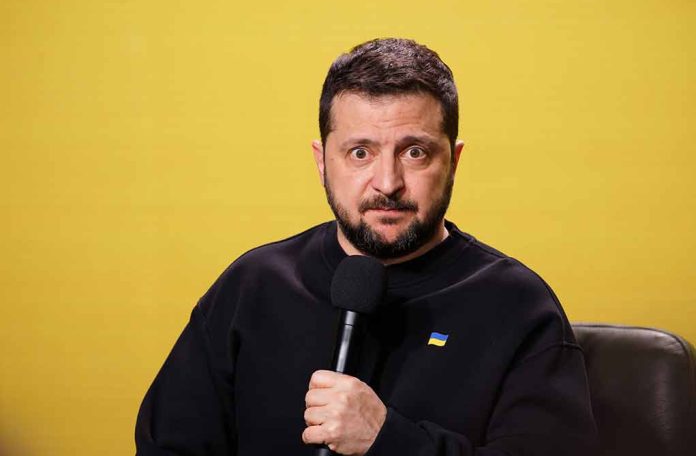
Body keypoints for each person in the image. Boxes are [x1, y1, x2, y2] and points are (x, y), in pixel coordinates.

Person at [135, 38, 598, 456]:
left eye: (414, 151)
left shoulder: (516, 305)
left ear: (453, 162)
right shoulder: (253, 285)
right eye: (360, 152)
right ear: (321, 162)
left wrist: (389, 440)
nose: (388, 183)